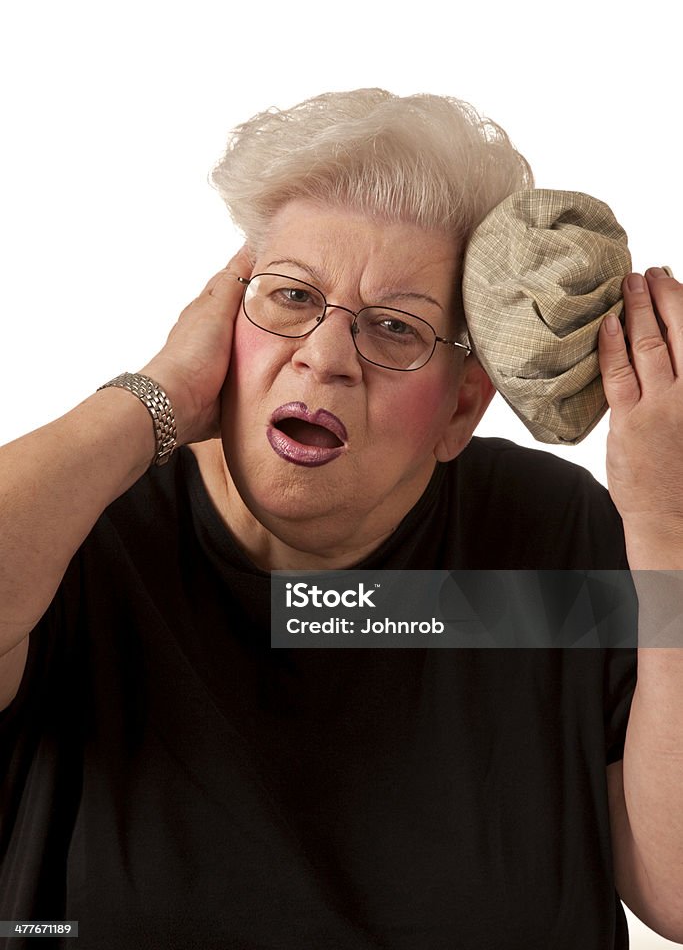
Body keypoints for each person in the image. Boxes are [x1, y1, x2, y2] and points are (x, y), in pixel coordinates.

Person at [1, 89, 682, 950]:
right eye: (289, 298)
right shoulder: (81, 530)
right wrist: (157, 396)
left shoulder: (545, 547)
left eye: (394, 328)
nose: (323, 359)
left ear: (459, 411)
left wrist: (665, 525)